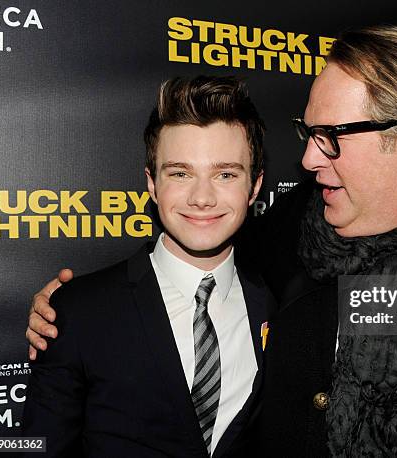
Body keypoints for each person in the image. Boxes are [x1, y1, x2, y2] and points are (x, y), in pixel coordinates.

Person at [27, 26, 397, 457]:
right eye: (308, 134)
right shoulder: (300, 226)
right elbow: (195, 255)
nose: (310, 159)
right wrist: (69, 310)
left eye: (332, 138)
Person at [22, 75, 276, 458]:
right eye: (180, 173)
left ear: (255, 187)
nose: (202, 197)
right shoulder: (77, 310)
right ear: (152, 185)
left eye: (225, 174)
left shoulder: (276, 298)